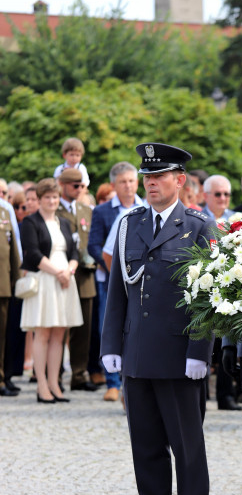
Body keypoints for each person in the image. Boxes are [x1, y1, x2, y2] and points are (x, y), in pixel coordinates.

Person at [101, 142, 215, 495]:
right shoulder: (131, 224)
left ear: (179, 180)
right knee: (145, 443)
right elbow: (118, 290)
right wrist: (112, 343)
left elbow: (209, 298)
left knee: (186, 445)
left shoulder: (199, 226)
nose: (151, 183)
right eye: (147, 177)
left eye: (159, 176)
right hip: (137, 351)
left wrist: (199, 352)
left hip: (179, 355)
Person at [19, 178, 83, 403]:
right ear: (40, 199)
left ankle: (55, 384)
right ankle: (42, 386)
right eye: (47, 197)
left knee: (59, 334)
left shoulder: (64, 223)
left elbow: (75, 252)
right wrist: (59, 273)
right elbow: (33, 253)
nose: (52, 201)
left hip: (65, 280)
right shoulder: (30, 222)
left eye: (55, 197)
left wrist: (69, 271)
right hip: (46, 279)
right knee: (43, 333)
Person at [88, 161, 143, 402]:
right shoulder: (102, 211)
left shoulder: (146, 206)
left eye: (132, 181)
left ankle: (130, 380)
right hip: (109, 279)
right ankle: (112, 381)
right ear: (114, 185)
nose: (128, 186)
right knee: (108, 328)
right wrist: (116, 272)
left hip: (140, 282)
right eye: (123, 182)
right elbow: (95, 246)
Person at [57, 168, 98, 392]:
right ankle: (55, 375)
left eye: (82, 186)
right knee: (60, 326)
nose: (79, 189)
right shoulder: (55, 208)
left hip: (84, 275)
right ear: (62, 185)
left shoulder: (86, 209)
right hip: (61, 273)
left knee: (84, 328)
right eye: (75, 186)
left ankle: (79, 375)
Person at [0, 195, 21, 397]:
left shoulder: (4, 211)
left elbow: (13, 247)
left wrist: (16, 278)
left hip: (3, 284)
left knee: (3, 334)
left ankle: (2, 377)